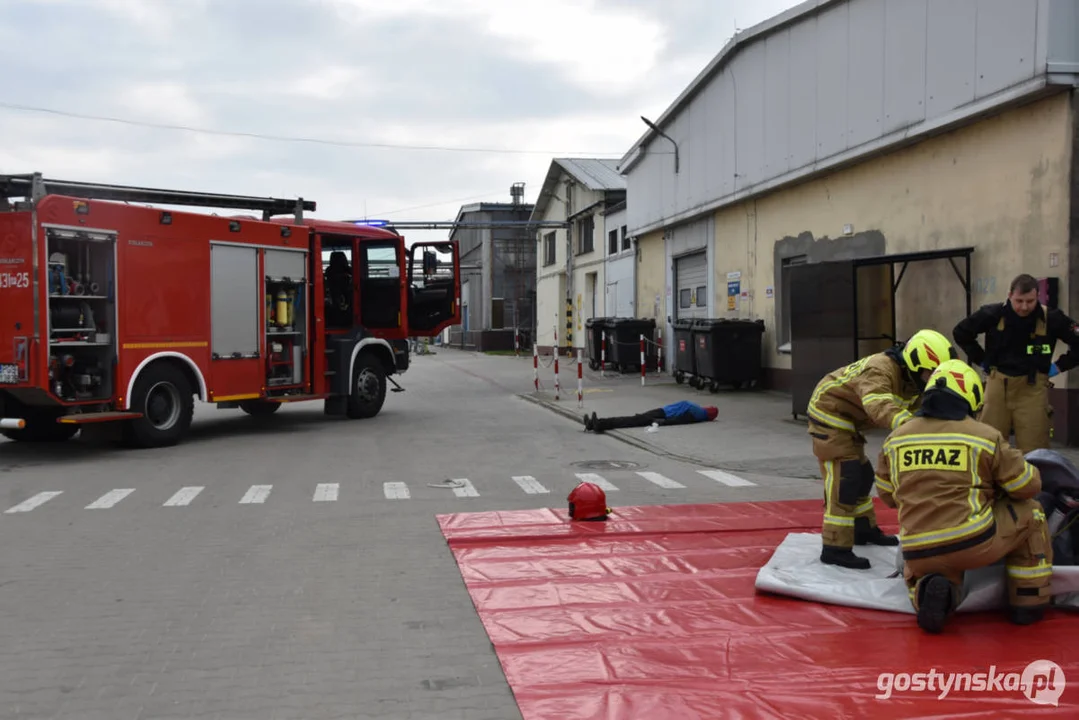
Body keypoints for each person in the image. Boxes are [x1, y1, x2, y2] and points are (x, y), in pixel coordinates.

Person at [874, 358, 1052, 634]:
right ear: (970, 395)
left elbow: (887, 496)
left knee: (930, 570)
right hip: (974, 543)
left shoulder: (896, 438)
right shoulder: (984, 436)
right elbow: (1026, 487)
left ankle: (935, 593)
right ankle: (1027, 603)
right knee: (1032, 512)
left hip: (917, 548)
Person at [808, 329, 957, 570]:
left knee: (864, 474)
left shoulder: (913, 378)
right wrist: (910, 427)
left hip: (851, 419)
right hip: (829, 413)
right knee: (845, 477)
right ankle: (835, 547)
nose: (933, 381)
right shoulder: (880, 369)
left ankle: (863, 529)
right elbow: (878, 405)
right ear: (917, 364)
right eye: (932, 374)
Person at [952, 273, 1079, 453]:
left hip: (1033, 390)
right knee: (988, 447)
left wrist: (1058, 366)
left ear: (1037, 297)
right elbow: (961, 333)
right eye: (1019, 301)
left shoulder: (1052, 318)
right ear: (1010, 295)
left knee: (1036, 451)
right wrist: (983, 360)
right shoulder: (992, 314)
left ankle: (1032, 481)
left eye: (1030, 301)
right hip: (997, 387)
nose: (1024, 307)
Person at [583, 401, 718, 433]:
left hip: (661, 415)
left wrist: (659, 422)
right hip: (661, 412)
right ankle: (593, 424)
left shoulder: (696, 414)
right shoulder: (698, 412)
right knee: (631, 420)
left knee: (630, 420)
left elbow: (677, 420)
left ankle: (599, 424)